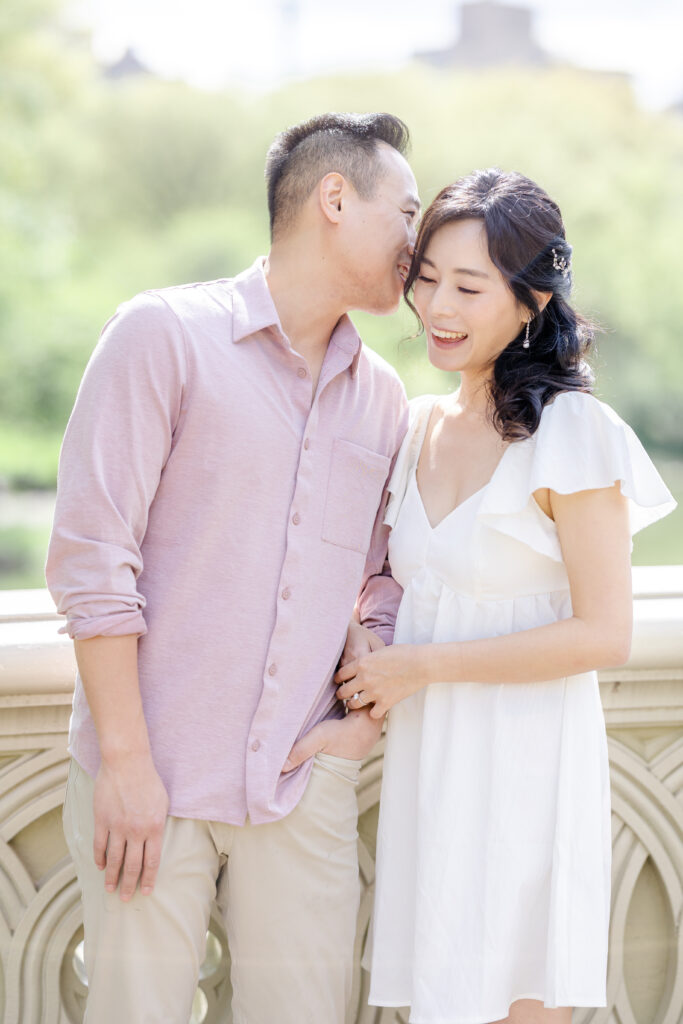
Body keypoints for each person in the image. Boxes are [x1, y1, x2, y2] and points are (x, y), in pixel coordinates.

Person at [46, 111, 420, 1024]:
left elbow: (383, 578)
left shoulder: (382, 400)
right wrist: (128, 767)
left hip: (301, 788)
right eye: (404, 211)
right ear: (335, 198)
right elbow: (92, 561)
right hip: (150, 784)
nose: (417, 239)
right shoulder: (162, 337)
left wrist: (355, 733)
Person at [321, 169, 675, 1024]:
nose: (438, 305)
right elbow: (390, 582)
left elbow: (603, 633)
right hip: (428, 765)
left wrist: (422, 666)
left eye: (469, 286)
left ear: (532, 300)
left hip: (525, 771)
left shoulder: (575, 434)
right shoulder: (412, 427)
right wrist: (364, 643)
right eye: (427, 278)